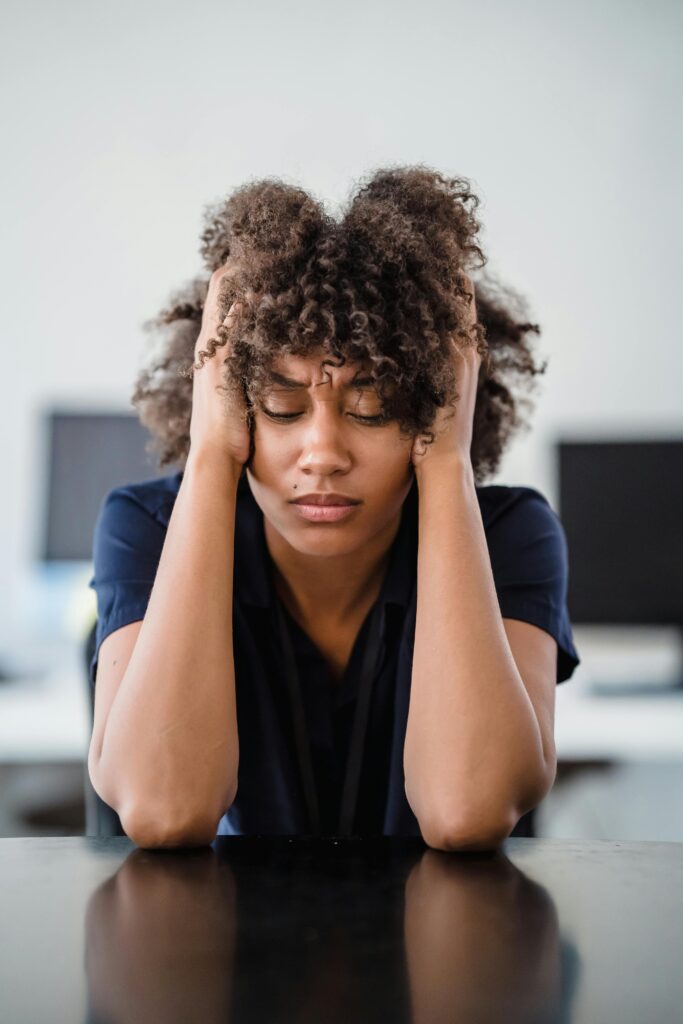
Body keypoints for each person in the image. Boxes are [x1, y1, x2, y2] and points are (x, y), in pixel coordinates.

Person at [87, 166, 580, 851]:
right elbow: (164, 810)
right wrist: (209, 456)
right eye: (281, 406)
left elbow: (467, 808)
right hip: (217, 954)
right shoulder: (147, 528)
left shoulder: (507, 536)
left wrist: (444, 462)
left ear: (432, 407)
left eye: (372, 408)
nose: (321, 452)